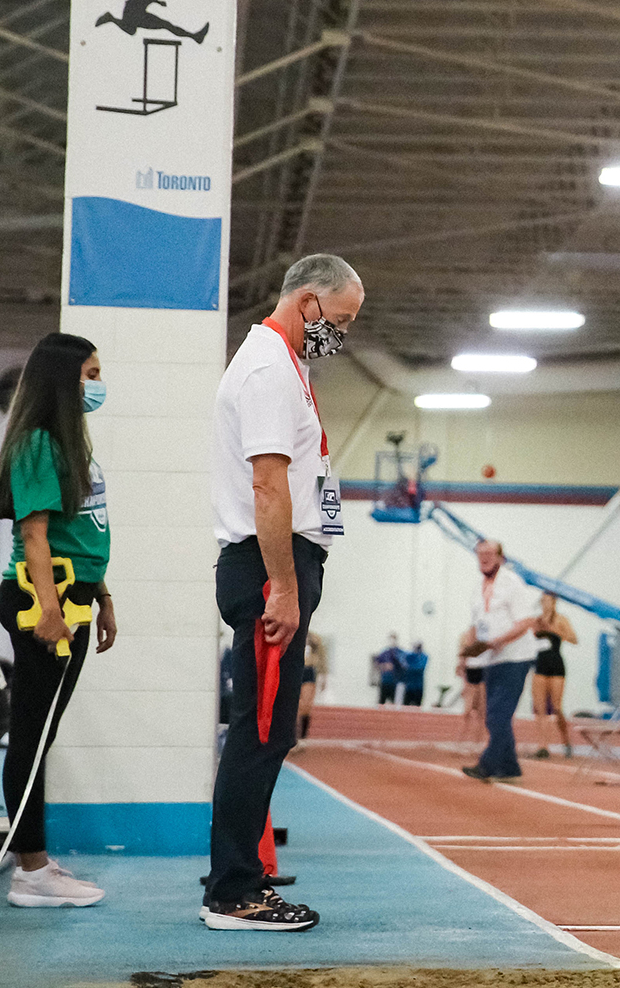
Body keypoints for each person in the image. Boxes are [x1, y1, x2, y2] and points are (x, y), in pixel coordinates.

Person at [205, 253, 363, 930]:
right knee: (261, 732)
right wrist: (285, 588)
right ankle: (234, 892)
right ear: (307, 302)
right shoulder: (270, 368)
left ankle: (244, 880)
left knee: (265, 733)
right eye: (342, 320)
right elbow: (267, 487)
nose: (344, 335)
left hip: (279, 562)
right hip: (269, 567)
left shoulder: (286, 365)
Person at [0, 332, 116, 908]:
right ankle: (30, 872)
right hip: (46, 600)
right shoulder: (39, 443)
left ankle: (35, 860)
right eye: (89, 374)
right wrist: (53, 610)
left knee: (43, 735)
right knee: (32, 737)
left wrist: (103, 595)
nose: (97, 384)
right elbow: (34, 534)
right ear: (62, 379)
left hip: (74, 594)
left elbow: (81, 531)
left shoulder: (70, 444)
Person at [460, 540, 542, 784]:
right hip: (491, 660)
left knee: (497, 715)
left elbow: (526, 621)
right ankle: (508, 766)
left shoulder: (511, 583)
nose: (484, 558)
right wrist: (466, 654)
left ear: (500, 557)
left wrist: (500, 641)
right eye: (480, 554)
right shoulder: (478, 588)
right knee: (495, 715)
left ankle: (487, 764)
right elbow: (475, 625)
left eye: (489, 554)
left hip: (515, 657)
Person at [530, 592, 577, 759]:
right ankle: (543, 746)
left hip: (556, 664)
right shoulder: (537, 620)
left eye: (548, 601)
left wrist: (553, 629)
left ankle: (566, 741)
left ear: (554, 603)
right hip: (540, 664)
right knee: (540, 708)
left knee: (556, 708)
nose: (545, 604)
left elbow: (574, 638)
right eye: (542, 601)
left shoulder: (561, 620)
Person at [455, 630, 486, 741]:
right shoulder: (466, 640)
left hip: (482, 675)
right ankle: (461, 738)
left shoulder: (486, 639)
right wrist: (464, 683)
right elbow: (460, 666)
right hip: (471, 676)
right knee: (467, 710)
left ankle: (478, 739)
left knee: (481, 711)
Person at [297, 634, 328, 741]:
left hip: (308, 671)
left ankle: (302, 736)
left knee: (306, 705)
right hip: (295, 669)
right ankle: (292, 735)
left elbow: (322, 657)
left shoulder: (314, 638)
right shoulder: (295, 632)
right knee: (294, 705)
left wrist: (324, 677)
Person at [373, 633, 403, 706]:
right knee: (381, 702)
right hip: (384, 681)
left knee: (394, 703)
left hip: (395, 682)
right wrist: (385, 666)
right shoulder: (384, 653)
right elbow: (376, 664)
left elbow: (403, 666)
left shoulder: (400, 652)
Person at [400, 642, 428, 707]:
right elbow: (403, 663)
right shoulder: (410, 656)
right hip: (409, 686)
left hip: (418, 686)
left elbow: (420, 667)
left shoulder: (423, 656)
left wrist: (410, 666)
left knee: (417, 706)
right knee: (405, 707)